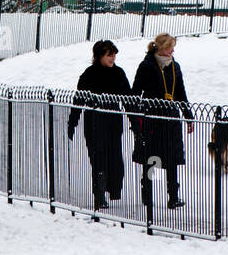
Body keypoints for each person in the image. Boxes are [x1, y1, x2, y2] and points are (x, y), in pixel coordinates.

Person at [131, 33, 194, 210]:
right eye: (169, 47)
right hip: (152, 118)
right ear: (160, 48)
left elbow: (180, 93)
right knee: (151, 157)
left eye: (173, 47)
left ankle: (173, 196)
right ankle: (148, 193)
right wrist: (137, 117)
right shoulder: (147, 66)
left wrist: (188, 116)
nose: (172, 51)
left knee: (172, 158)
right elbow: (136, 92)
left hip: (171, 118)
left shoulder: (175, 67)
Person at [67, 39, 131, 211]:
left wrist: (136, 124)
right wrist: (72, 122)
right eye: (109, 55)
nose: (113, 58)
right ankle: (99, 195)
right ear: (99, 56)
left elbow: (128, 100)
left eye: (114, 55)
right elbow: (78, 100)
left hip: (113, 124)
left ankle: (113, 190)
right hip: (94, 123)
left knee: (115, 161)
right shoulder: (89, 74)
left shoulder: (119, 74)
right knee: (98, 160)